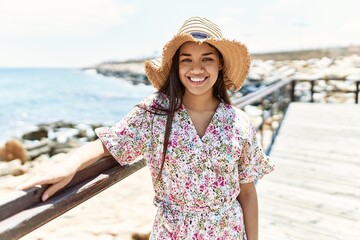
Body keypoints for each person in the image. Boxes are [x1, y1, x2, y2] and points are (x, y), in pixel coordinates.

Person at [20, 16, 274, 240]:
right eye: (187, 60)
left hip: (228, 232)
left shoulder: (239, 122)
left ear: (219, 64)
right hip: (172, 232)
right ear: (176, 66)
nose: (196, 68)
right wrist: (68, 165)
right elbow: (107, 143)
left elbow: (248, 191)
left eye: (207, 59)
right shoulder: (155, 113)